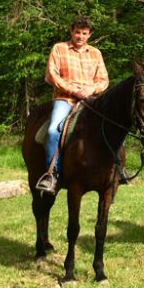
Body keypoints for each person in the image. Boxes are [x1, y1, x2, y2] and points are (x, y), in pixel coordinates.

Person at [35, 15, 109, 195]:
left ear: (89, 35)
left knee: (111, 126)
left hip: (90, 100)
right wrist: (73, 90)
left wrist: (91, 89)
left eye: (84, 33)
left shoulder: (95, 53)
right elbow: (51, 75)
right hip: (65, 99)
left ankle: (115, 170)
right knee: (53, 130)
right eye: (77, 32)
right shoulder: (59, 49)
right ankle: (52, 174)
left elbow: (104, 80)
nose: (80, 36)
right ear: (71, 31)